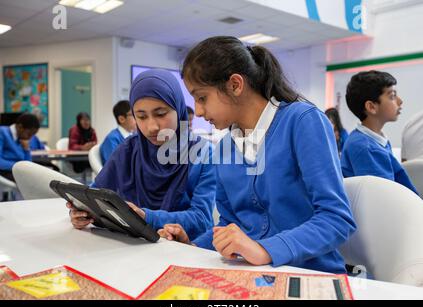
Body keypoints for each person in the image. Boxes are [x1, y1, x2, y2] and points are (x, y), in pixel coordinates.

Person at [159, 36, 356, 274]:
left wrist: (265, 249)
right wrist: (192, 246)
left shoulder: (302, 121)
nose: (198, 111)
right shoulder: (223, 148)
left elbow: (336, 220)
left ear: (235, 85)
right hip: (251, 274)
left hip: (312, 274)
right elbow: (229, 225)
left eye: (202, 98)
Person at [67, 69, 216, 240]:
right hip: (128, 247)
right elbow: (95, 195)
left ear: (179, 108)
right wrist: (83, 213)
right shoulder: (128, 149)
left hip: (184, 249)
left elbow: (202, 220)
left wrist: (146, 217)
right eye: (141, 116)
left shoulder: (204, 153)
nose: (152, 127)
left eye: (161, 114)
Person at [341, 71, 418, 194]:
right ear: (371, 107)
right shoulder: (365, 147)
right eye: (392, 96)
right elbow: (383, 197)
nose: (400, 101)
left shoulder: (373, 140)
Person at [0, 113, 40, 182]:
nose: (30, 138)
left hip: (18, 171)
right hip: (4, 172)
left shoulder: (22, 139)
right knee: (35, 181)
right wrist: (20, 167)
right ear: (20, 127)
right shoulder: (2, 133)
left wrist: (26, 150)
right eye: (29, 134)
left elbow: (28, 164)